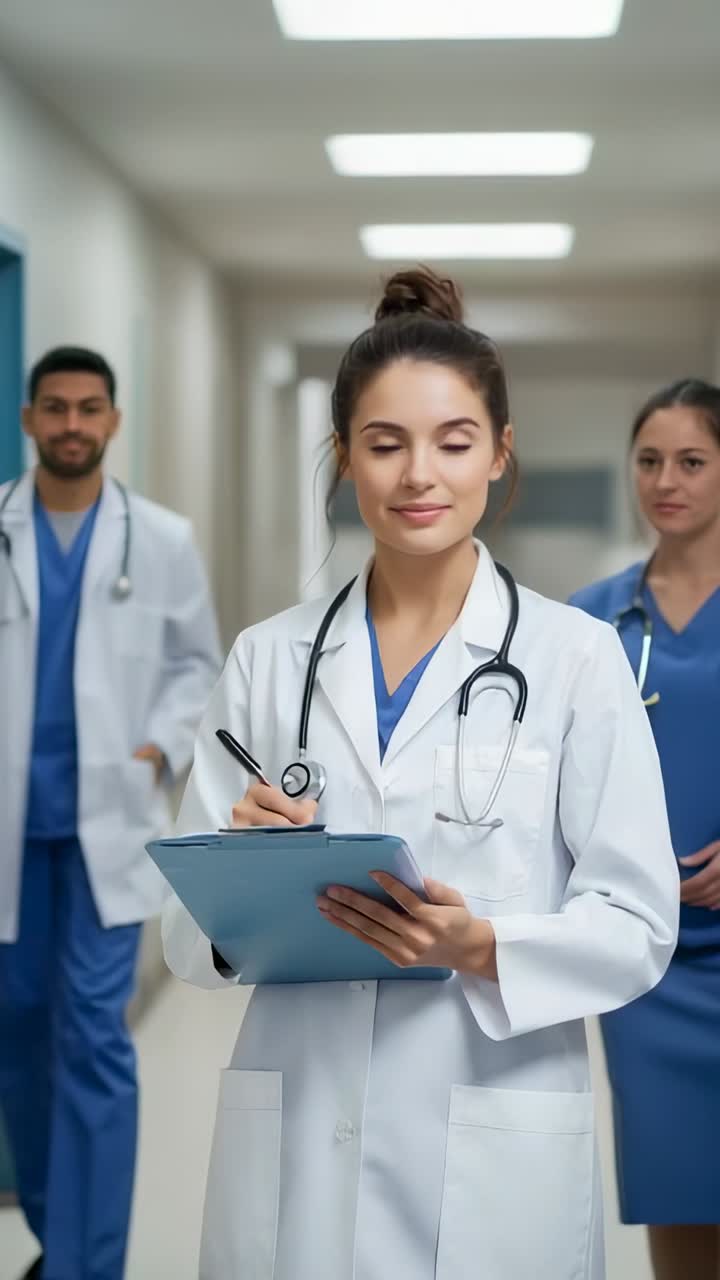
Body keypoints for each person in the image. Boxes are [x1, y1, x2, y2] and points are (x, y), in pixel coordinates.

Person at [163, 268, 679, 1280]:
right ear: (344, 458)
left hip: (493, 1121)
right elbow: (187, 935)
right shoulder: (269, 658)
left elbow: (636, 921)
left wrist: (484, 941)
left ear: (499, 452)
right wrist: (243, 867)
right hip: (303, 1123)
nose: (417, 476)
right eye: (384, 443)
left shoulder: (575, 657)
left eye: (452, 441)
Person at [0, 346, 222, 1280]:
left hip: (105, 830)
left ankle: (91, 1263)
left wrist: (155, 751)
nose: (73, 426)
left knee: (93, 1038)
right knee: (19, 1041)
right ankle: (59, 1238)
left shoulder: (159, 539)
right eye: (56, 409)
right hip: (14, 832)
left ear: (114, 421)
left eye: (90, 409)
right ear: (29, 418)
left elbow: (196, 666)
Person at [570, 378, 720, 1280]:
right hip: (646, 962)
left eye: (693, 461)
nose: (667, 480)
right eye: (650, 461)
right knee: (677, 1190)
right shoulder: (593, 620)